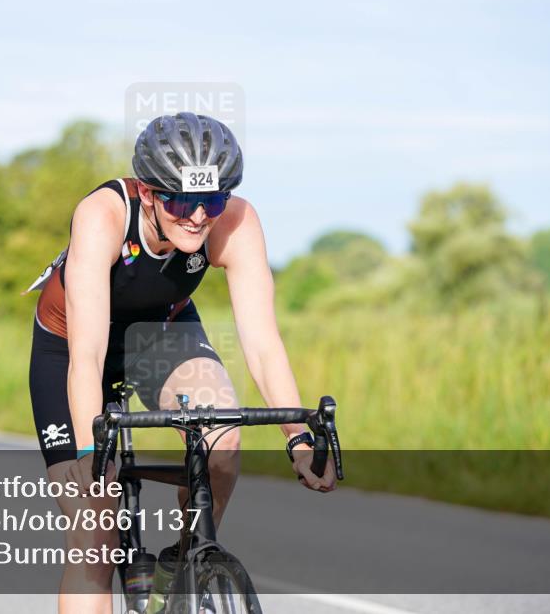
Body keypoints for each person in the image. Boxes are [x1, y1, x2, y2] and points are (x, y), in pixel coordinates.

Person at [26, 112, 336, 613]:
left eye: (211, 201)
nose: (197, 216)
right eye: (179, 200)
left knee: (223, 436)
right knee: (96, 534)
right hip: (73, 346)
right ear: (147, 192)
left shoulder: (235, 219)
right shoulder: (103, 215)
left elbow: (261, 342)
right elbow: (86, 356)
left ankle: (181, 567)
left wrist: (297, 438)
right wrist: (91, 452)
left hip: (161, 337)